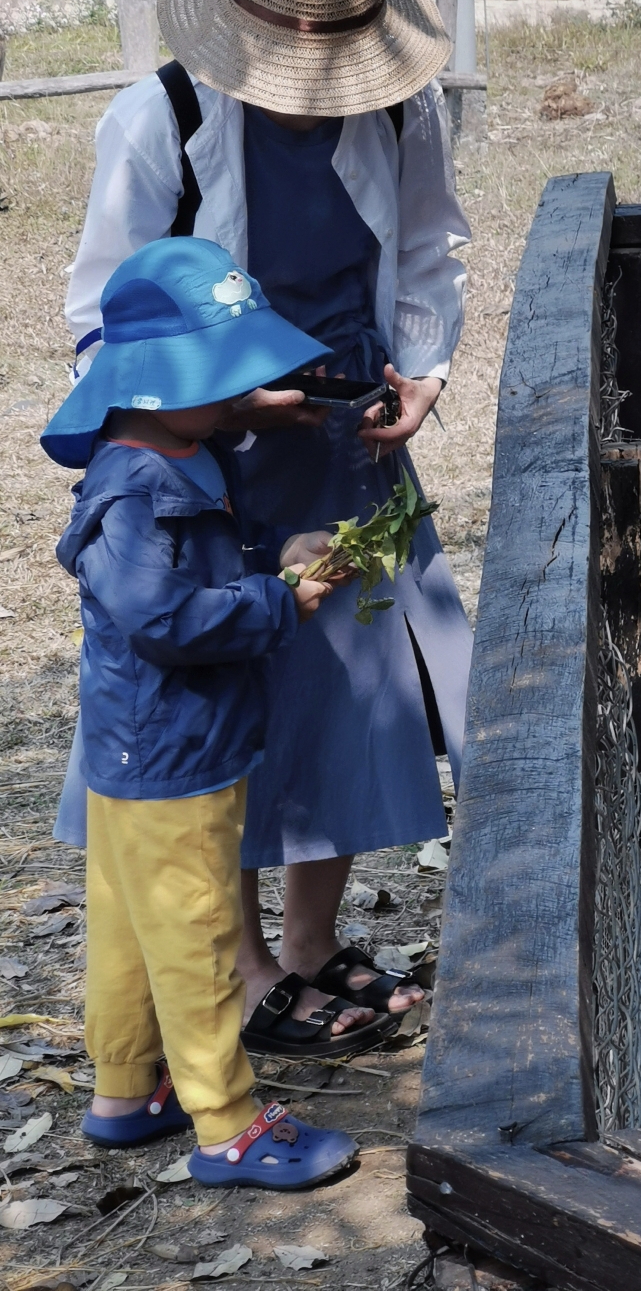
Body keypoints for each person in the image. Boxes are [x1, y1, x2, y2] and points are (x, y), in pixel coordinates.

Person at [54, 0, 473, 1057]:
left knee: (352, 686)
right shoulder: (163, 116)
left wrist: (422, 375)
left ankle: (310, 942)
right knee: (222, 691)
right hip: (208, 457)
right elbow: (103, 311)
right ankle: (238, 972)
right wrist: (224, 405)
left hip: (349, 439)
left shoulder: (402, 108)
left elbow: (432, 248)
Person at [43, 236, 371, 1186]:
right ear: (152, 382)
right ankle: (226, 1124)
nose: (239, 392)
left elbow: (207, 561)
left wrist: (276, 552)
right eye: (220, 375)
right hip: (171, 757)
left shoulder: (177, 451)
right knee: (194, 937)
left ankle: (123, 1092)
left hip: (147, 751)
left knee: (127, 926)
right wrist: (282, 601)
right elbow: (161, 615)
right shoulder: (137, 492)